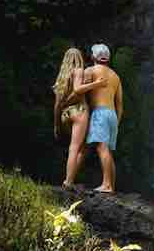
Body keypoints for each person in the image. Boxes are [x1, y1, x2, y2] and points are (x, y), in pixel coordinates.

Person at [52, 47, 104, 189]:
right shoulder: (79, 71)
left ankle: (70, 178)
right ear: (79, 58)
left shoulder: (61, 77)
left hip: (65, 115)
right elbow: (78, 90)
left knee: (81, 146)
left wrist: (56, 125)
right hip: (79, 111)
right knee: (76, 147)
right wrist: (97, 83)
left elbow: (57, 105)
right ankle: (68, 181)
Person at [82, 43, 123, 194]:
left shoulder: (90, 70)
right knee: (108, 151)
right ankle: (111, 185)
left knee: (102, 148)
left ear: (93, 56)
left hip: (100, 112)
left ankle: (106, 185)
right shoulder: (116, 76)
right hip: (112, 115)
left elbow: (81, 92)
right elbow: (120, 104)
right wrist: (117, 122)